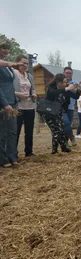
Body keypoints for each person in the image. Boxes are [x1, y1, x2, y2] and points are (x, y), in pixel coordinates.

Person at [42, 73, 81, 154]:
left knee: (61, 131)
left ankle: (60, 149)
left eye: (66, 82)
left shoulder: (65, 90)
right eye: (64, 82)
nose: (66, 84)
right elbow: (53, 93)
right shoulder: (51, 88)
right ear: (58, 82)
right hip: (49, 113)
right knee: (57, 131)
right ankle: (58, 149)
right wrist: (67, 88)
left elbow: (76, 96)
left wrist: (78, 89)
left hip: (58, 113)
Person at [13, 55, 37, 157]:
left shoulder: (29, 76)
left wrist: (34, 94)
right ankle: (13, 153)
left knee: (29, 130)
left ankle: (29, 151)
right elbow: (9, 90)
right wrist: (19, 94)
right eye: (23, 63)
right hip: (18, 105)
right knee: (16, 130)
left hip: (29, 106)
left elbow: (33, 89)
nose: (25, 65)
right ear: (17, 63)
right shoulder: (13, 74)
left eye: (27, 63)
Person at [0, 38, 19, 168]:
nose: (6, 50)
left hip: (13, 101)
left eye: (7, 48)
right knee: (3, 131)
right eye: (3, 48)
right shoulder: (4, 65)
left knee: (13, 130)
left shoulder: (7, 67)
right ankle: (3, 158)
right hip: (3, 102)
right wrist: (5, 103)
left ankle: (12, 156)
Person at [63, 67, 78, 146]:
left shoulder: (74, 82)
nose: (68, 74)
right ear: (64, 73)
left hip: (71, 107)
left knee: (68, 125)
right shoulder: (61, 82)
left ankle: (65, 141)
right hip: (62, 107)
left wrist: (72, 87)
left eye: (70, 73)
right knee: (66, 123)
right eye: (67, 73)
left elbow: (76, 91)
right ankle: (72, 138)